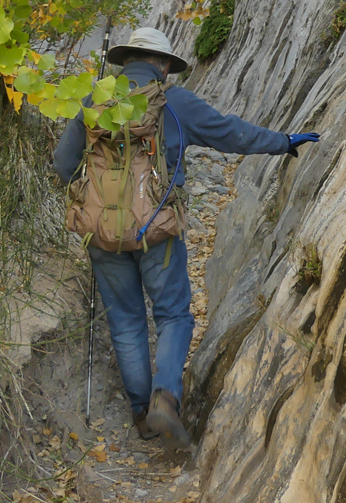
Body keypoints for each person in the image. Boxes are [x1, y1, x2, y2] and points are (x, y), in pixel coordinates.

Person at [53, 27, 319, 448]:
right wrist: (281, 143)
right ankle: (165, 399)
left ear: (126, 61)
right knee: (173, 314)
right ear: (162, 64)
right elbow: (230, 133)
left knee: (125, 320)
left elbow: (63, 163)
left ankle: (142, 415)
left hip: (101, 235)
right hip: (157, 232)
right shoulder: (173, 104)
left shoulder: (93, 101)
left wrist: (100, 204)